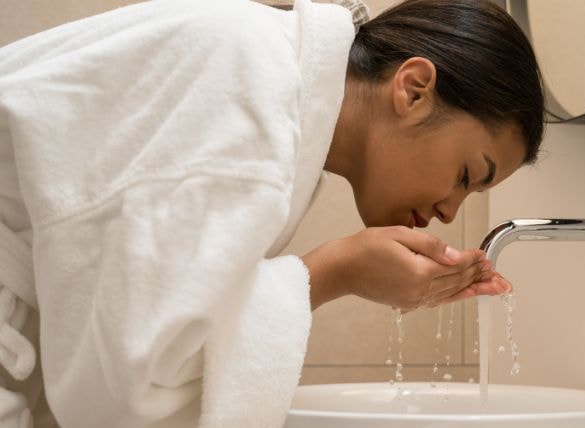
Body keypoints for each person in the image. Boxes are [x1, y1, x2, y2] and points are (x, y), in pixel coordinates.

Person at [0, 0, 544, 426]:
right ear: (414, 90)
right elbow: (129, 393)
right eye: (467, 176)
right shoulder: (251, 96)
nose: (451, 212)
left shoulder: (264, 75)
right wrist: (336, 270)